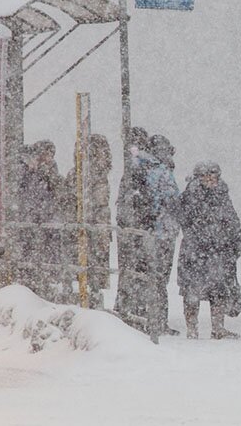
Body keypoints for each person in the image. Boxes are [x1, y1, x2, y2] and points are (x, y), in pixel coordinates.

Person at [175, 162, 241, 340]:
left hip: (218, 250)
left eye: (214, 176)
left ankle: (218, 327)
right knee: (192, 289)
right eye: (207, 176)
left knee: (218, 289)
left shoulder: (222, 195)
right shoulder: (190, 196)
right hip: (196, 250)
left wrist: (237, 238)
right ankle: (192, 329)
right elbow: (183, 218)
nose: (211, 179)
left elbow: (232, 218)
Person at [62, 134, 113, 308]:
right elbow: (97, 204)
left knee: (88, 267)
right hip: (89, 229)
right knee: (89, 266)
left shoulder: (84, 173)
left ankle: (88, 295)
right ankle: (88, 298)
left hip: (89, 227)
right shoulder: (88, 175)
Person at [143, 135, 181, 335]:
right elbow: (168, 200)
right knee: (158, 279)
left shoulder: (146, 168)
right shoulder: (160, 172)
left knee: (155, 278)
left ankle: (152, 319)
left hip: (156, 231)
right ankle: (157, 321)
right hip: (161, 232)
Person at [113, 127, 150, 324]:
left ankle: (130, 308)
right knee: (134, 270)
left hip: (134, 226)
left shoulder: (138, 167)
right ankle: (133, 309)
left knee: (132, 269)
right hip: (134, 226)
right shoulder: (139, 167)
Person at [18, 140, 63, 299]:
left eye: (51, 154)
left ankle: (49, 279)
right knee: (29, 251)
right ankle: (29, 279)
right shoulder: (26, 169)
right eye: (45, 153)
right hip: (30, 218)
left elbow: (57, 192)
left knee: (49, 251)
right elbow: (23, 192)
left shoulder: (51, 171)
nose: (47, 157)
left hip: (47, 219)